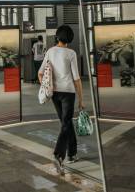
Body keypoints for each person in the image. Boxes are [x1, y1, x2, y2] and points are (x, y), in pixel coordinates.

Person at [38, 25, 84, 175]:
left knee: (66, 123)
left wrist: (46, 87)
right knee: (66, 123)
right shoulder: (71, 53)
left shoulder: (50, 51)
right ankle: (58, 155)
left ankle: (73, 153)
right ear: (70, 38)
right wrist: (81, 100)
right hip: (68, 92)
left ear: (57, 37)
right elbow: (76, 78)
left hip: (55, 93)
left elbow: (40, 73)